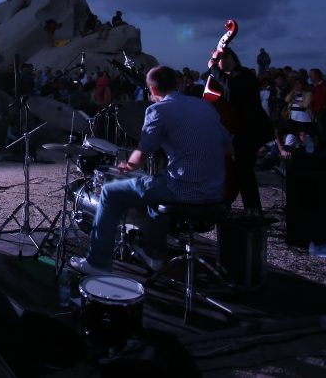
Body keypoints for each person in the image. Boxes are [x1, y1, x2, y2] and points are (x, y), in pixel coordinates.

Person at [70, 66, 231, 276]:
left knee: (110, 193)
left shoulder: (158, 110)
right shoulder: (205, 107)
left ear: (153, 90)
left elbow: (139, 157)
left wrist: (125, 167)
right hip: (215, 191)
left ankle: (98, 262)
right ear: (177, 84)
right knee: (156, 185)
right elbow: (228, 147)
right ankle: (153, 252)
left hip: (183, 190)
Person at [206, 47, 275, 214]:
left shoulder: (244, 75)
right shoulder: (236, 77)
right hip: (241, 129)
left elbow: (232, 88)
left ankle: (253, 210)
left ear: (229, 57)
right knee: (243, 171)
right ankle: (251, 209)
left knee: (245, 171)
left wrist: (213, 67)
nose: (218, 64)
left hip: (250, 130)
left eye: (219, 60)